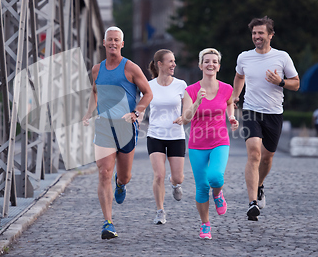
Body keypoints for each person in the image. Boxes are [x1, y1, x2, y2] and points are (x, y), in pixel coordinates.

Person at [82, 26, 153, 239]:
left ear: (122, 44)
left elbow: (148, 93)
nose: (113, 43)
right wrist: (88, 114)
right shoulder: (97, 69)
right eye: (109, 40)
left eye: (116, 40)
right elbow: (95, 92)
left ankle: (120, 184)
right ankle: (108, 223)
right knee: (104, 172)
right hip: (104, 126)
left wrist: (136, 112)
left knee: (125, 175)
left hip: (125, 128)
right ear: (103, 43)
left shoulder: (130, 68)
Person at [231, 16, 299, 221]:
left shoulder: (282, 57)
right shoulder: (244, 57)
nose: (256, 36)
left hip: (274, 113)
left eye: (260, 33)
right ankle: (252, 203)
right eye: (254, 33)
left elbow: (296, 84)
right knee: (253, 154)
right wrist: (236, 95)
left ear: (270, 35)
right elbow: (239, 75)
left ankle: (260, 186)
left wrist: (280, 82)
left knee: (267, 158)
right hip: (251, 111)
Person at [177, 48, 238, 239]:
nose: (210, 64)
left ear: (218, 66)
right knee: (202, 187)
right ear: (200, 65)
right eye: (206, 61)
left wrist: (231, 117)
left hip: (220, 141)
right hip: (197, 145)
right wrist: (196, 103)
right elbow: (185, 118)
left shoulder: (227, 88)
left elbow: (229, 102)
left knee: (216, 178)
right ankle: (205, 224)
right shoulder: (191, 90)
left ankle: (218, 195)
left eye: (214, 61)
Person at [145, 49, 188, 225]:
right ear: (159, 64)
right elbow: (141, 107)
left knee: (178, 177)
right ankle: (160, 211)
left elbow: (188, 107)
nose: (174, 64)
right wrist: (136, 117)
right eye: (170, 61)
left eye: (174, 61)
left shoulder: (181, 85)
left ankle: (175, 184)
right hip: (155, 134)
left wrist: (184, 117)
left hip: (176, 135)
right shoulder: (149, 86)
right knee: (158, 175)